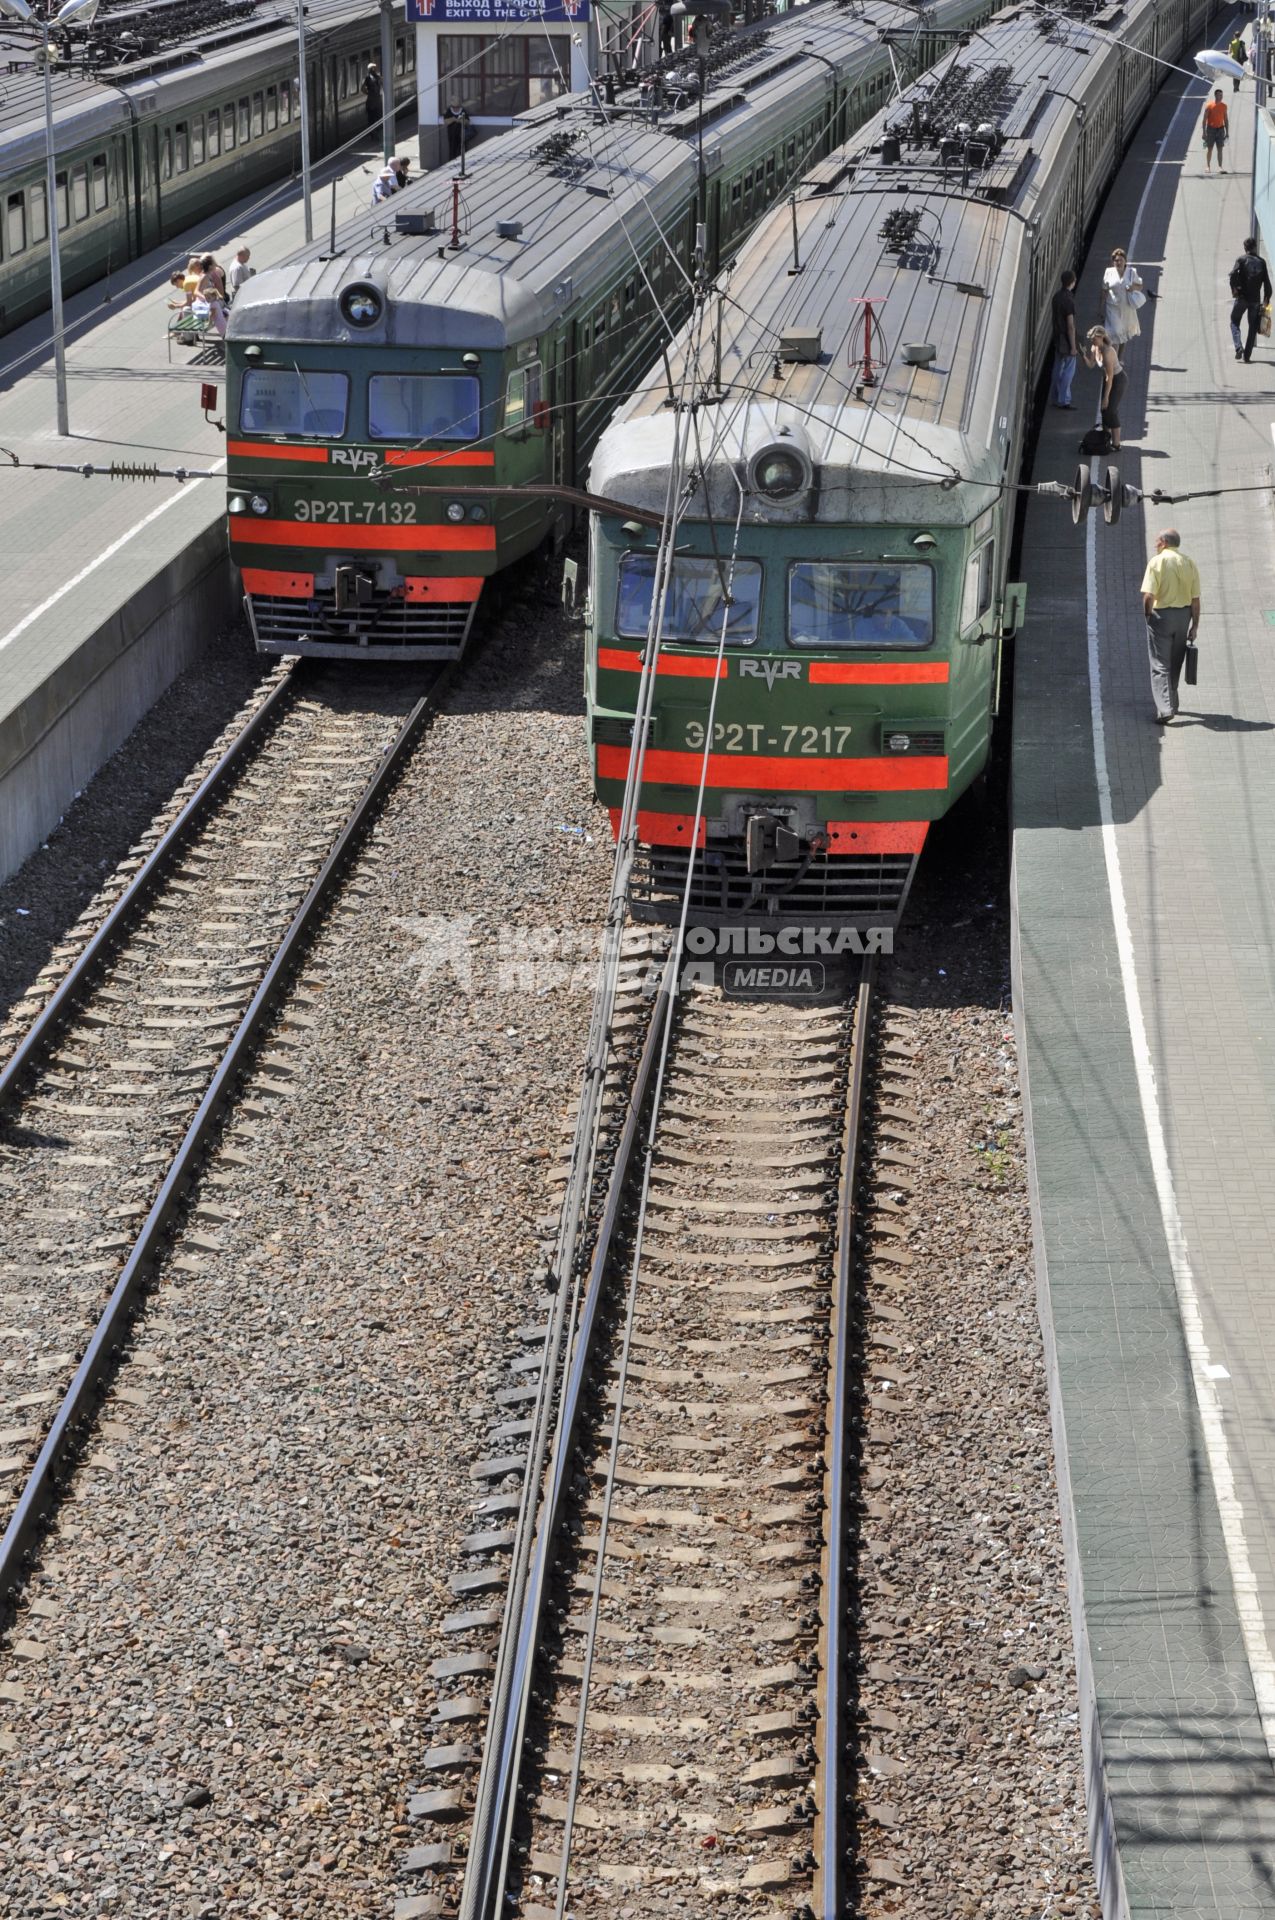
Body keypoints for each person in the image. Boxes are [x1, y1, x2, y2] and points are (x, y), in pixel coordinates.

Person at [1140, 529, 1200, 724]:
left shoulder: (1157, 562)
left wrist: (1148, 615)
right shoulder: (1189, 562)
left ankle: (1165, 709)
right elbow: (1195, 599)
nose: (1155, 544)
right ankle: (1173, 702)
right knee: (1176, 661)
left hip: (1161, 616)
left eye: (1157, 541)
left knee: (1159, 664)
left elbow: (1148, 595)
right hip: (1184, 617)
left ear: (1164, 542)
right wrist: (1195, 626)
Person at [1228, 234, 1272, 362]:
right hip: (1255, 301)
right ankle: (1247, 356)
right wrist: (1266, 299)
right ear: (1255, 247)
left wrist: (1235, 290)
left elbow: (1232, 275)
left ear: (1245, 248)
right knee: (1253, 326)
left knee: (1234, 320)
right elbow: (1267, 284)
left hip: (1242, 298)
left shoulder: (1241, 260)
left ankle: (1238, 347)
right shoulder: (1262, 262)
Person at [1085, 326, 1126, 450]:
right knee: (1104, 410)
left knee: (1110, 410)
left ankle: (1117, 444)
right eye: (1091, 339)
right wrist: (1083, 355)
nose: (1092, 341)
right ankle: (1105, 438)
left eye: (1094, 339)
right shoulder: (1095, 347)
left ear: (1101, 337)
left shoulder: (1108, 352)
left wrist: (1106, 398)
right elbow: (1091, 364)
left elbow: (1110, 377)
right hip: (1108, 379)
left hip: (1118, 380)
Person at [1101, 247, 1143, 350]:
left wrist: (1132, 287)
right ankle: (1114, 360)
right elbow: (1104, 290)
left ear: (1125, 261)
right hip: (1112, 307)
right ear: (1113, 262)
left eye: (1121, 260)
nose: (1118, 262)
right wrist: (1100, 307)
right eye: (1116, 260)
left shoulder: (1131, 272)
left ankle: (1119, 358)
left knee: (1124, 333)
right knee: (1115, 332)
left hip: (1127, 308)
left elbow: (1140, 286)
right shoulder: (1108, 272)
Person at [1050, 268, 1078, 407]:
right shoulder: (1069, 300)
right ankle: (1064, 400)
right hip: (1066, 340)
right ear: (1072, 282)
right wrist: (1073, 347)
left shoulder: (1056, 296)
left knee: (1057, 368)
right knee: (1069, 370)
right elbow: (1071, 326)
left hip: (1057, 337)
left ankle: (1055, 397)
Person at [1203, 89, 1229, 170]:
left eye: (1221, 95)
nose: (1221, 97)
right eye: (1219, 95)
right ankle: (1208, 166)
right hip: (1211, 130)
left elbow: (1226, 119)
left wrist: (1227, 132)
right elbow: (1204, 120)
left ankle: (1220, 167)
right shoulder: (1209, 106)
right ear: (1215, 95)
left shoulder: (1224, 106)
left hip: (1220, 130)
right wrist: (1204, 133)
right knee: (1210, 148)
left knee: (1220, 149)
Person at [363, 62, 383, 130]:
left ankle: (377, 131)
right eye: (372, 69)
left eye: (374, 68)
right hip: (372, 102)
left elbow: (381, 85)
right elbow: (362, 88)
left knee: (377, 116)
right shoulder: (368, 78)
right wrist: (369, 93)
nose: (374, 70)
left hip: (377, 100)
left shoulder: (378, 77)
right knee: (371, 118)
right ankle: (372, 132)